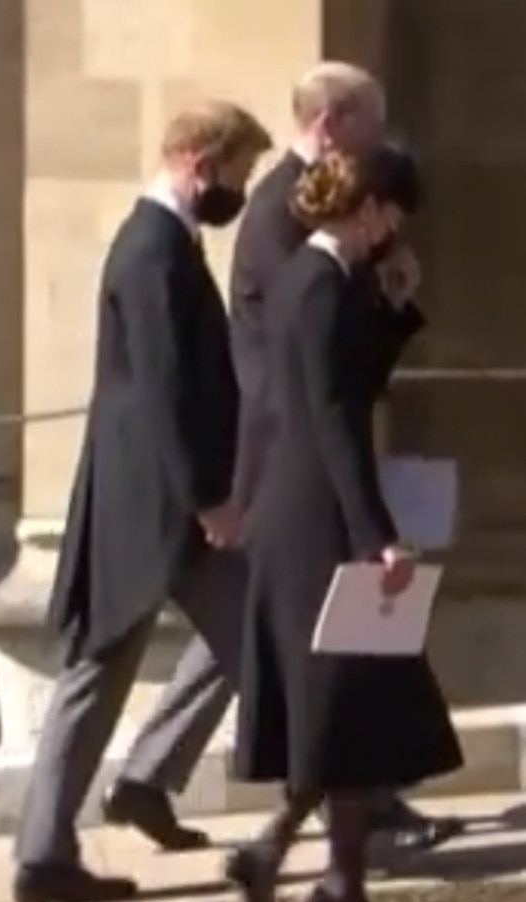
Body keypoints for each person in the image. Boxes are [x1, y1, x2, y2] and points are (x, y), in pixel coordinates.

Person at [103, 61, 461, 854]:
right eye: (369, 128)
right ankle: (354, 810)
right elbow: (304, 365)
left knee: (260, 632)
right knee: (312, 641)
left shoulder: (322, 219)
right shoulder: (283, 218)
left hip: (294, 452)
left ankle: (161, 778)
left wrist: (393, 304)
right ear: (332, 124)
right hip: (285, 455)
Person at [12, 99, 272, 902]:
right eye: (236, 173)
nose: (238, 190)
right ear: (199, 161)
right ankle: (43, 854)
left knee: (260, 638)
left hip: (166, 504)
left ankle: (117, 803)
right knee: (102, 672)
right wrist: (210, 498)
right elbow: (162, 393)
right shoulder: (152, 251)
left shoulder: (162, 245)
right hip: (157, 506)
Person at [228, 147, 463, 902]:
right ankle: (298, 865)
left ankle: (332, 881)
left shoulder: (317, 280)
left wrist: (397, 309)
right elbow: (336, 421)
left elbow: (352, 383)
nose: (394, 232)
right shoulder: (321, 286)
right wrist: (376, 537)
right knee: (344, 695)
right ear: (368, 209)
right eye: (391, 216)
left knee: (355, 703)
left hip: (306, 507)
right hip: (320, 515)